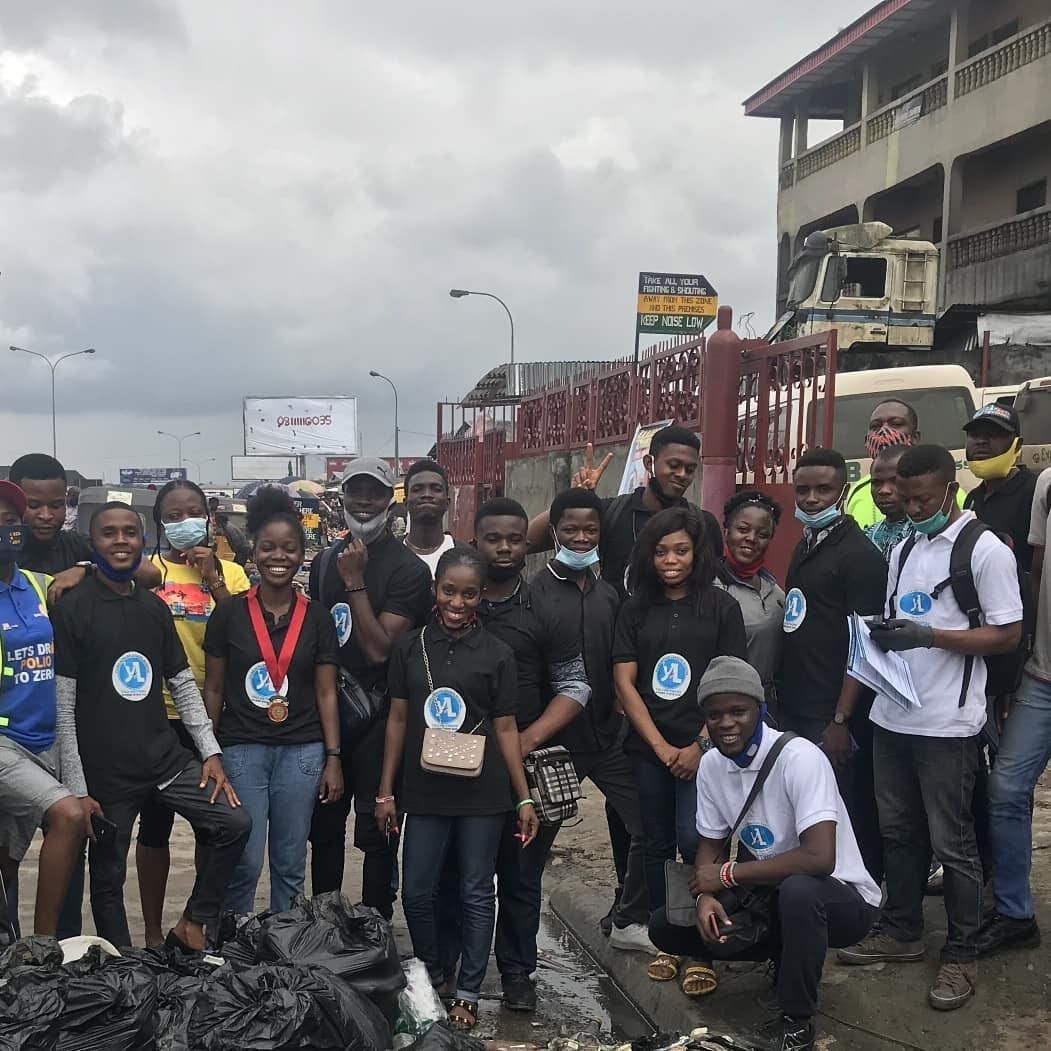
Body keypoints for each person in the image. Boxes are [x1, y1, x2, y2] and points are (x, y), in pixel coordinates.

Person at [838, 444, 1023, 1011]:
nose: (913, 508)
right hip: (894, 715)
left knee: (954, 842)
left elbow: (1008, 634)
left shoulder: (983, 550)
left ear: (950, 489)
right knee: (898, 832)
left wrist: (931, 637)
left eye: (923, 498)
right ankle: (901, 930)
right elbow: (899, 617)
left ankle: (961, 955)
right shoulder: (906, 547)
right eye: (903, 497)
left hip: (949, 723)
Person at [648, 657, 880, 1051]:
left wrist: (726, 877)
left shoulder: (801, 758)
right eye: (715, 714)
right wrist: (705, 897)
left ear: (761, 710)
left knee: (800, 892)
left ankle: (796, 1023)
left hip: (841, 900)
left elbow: (820, 858)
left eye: (738, 711)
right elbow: (710, 844)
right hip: (773, 891)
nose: (726, 723)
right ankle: (787, 956)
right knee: (666, 926)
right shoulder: (712, 768)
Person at [51, 502, 250, 949]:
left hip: (164, 759)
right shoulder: (72, 608)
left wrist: (211, 753)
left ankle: (192, 924)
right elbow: (63, 708)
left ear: (143, 543)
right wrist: (78, 789)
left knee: (234, 822)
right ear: (92, 543)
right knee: (107, 881)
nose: (120, 541)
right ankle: (126, 971)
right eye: (109, 533)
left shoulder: (155, 609)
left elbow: (181, 686)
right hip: (106, 774)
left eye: (129, 533)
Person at [377, 547, 539, 1031]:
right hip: (423, 791)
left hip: (482, 794)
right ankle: (432, 975)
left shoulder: (497, 654)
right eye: (449, 590)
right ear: (435, 590)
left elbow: (507, 730)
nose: (457, 601)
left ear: (481, 596)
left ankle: (468, 992)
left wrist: (523, 796)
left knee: (475, 892)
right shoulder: (409, 647)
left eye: (469, 593)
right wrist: (386, 791)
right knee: (418, 890)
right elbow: (398, 720)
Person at [10, 453, 161, 940]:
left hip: (68, 719)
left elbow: (148, 574)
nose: (45, 516)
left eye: (56, 504)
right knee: (13, 850)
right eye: (33, 505)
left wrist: (83, 567)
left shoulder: (76, 545)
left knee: (72, 837)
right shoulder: (11, 553)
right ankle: (22, 942)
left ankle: (66, 945)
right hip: (14, 723)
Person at [612, 505, 748, 994]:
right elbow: (625, 684)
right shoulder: (635, 610)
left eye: (681, 550)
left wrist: (696, 746)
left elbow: (732, 688)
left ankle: (703, 947)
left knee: (698, 841)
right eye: (661, 550)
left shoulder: (720, 608)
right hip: (649, 749)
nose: (671, 559)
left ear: (698, 553)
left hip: (706, 754)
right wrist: (661, 746)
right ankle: (668, 936)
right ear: (648, 556)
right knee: (653, 843)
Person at [472, 497, 591, 1012]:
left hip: (528, 764)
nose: (503, 548)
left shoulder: (544, 607)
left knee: (521, 877)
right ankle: (459, 969)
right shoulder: (456, 600)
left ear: (529, 543)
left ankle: (518, 974)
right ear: (474, 542)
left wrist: (526, 739)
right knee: (465, 874)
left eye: (514, 539)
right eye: (493, 538)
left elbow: (576, 685)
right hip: (461, 763)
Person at [204, 488, 343, 915]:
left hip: (302, 751)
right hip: (242, 748)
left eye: (288, 548)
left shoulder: (317, 616)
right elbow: (212, 688)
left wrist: (333, 757)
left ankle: (286, 949)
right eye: (268, 547)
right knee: (244, 860)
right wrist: (208, 752)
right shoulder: (228, 614)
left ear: (302, 555)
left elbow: (325, 691)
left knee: (289, 863)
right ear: (254, 553)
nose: (277, 556)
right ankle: (236, 948)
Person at [529, 488, 653, 953]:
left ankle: (630, 917)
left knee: (647, 826)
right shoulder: (533, 595)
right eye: (570, 530)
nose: (581, 539)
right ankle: (517, 941)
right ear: (554, 532)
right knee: (534, 845)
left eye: (590, 530)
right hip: (553, 747)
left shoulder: (610, 596)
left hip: (608, 738)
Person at [308, 459, 431, 918]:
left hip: (381, 717)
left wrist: (355, 582)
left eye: (374, 493)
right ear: (341, 500)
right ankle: (324, 921)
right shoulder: (324, 560)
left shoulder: (409, 571)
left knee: (377, 830)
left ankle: (376, 923)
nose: (364, 501)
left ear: (389, 500)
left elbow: (381, 650)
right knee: (324, 827)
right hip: (331, 712)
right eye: (355, 492)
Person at [134, 479, 252, 946]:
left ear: (210, 518)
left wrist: (215, 581)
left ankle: (199, 921)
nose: (185, 523)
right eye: (174, 516)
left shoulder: (234, 574)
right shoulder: (149, 572)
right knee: (154, 829)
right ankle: (148, 932)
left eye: (193, 513)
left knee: (213, 824)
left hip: (212, 717)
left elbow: (244, 631)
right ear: (161, 523)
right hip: (154, 716)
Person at [779, 448, 887, 882]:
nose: (811, 499)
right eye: (802, 489)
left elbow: (864, 647)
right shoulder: (806, 544)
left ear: (842, 491)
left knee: (847, 808)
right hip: (800, 703)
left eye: (823, 489)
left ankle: (860, 896)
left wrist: (841, 719)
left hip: (835, 712)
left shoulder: (858, 556)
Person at [0, 480, 89, 937]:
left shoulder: (36, 585)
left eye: (11, 522)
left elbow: (130, 574)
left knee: (6, 859)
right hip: (4, 743)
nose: (6, 530)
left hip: (42, 742)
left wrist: (85, 568)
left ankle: (11, 944)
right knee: (68, 815)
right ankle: (43, 947)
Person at [527, 429, 723, 599]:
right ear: (649, 463)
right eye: (673, 465)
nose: (681, 475)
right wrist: (574, 499)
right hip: (617, 636)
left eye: (689, 470)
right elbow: (528, 541)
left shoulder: (703, 524)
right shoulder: (612, 513)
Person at [715, 491, 785, 697]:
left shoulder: (775, 590)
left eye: (762, 535)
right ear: (726, 530)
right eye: (743, 529)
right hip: (729, 701)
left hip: (770, 705)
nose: (751, 539)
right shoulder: (712, 587)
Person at [845, 400, 920, 529]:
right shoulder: (857, 490)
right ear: (866, 440)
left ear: (915, 438)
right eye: (875, 426)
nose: (884, 431)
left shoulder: (943, 489)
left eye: (895, 424)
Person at [402, 459, 461, 576]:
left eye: (436, 489)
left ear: (447, 502)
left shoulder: (465, 555)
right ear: (405, 503)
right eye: (417, 489)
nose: (427, 495)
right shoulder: (390, 555)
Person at [863, 444, 914, 560]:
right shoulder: (866, 536)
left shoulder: (928, 534)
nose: (884, 491)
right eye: (876, 483)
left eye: (894, 481)